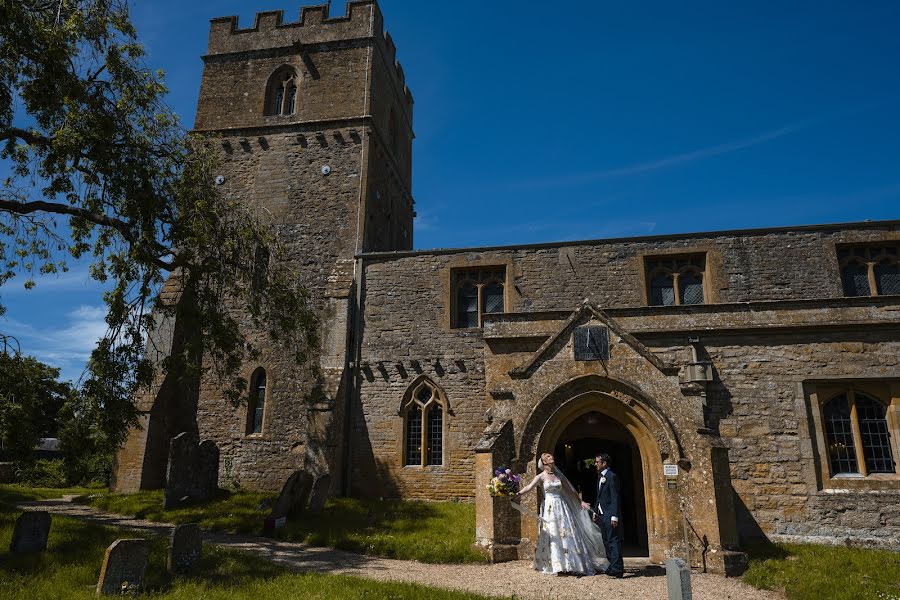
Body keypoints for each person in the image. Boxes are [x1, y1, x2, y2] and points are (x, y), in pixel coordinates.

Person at [515, 452, 607, 576]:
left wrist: (581, 502)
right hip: (549, 508)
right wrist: (517, 494)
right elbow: (529, 487)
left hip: (562, 507)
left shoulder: (559, 476)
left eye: (551, 456)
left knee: (566, 533)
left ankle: (571, 563)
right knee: (553, 533)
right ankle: (556, 564)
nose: (551, 457)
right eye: (547, 457)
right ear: (544, 462)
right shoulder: (541, 476)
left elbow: (570, 490)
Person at [592, 452, 624, 578]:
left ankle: (617, 569)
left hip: (610, 515)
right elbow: (599, 497)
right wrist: (595, 511)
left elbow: (615, 498)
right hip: (601, 514)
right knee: (606, 540)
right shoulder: (600, 476)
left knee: (613, 541)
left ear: (604, 463)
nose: (595, 464)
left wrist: (614, 516)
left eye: (597, 462)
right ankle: (612, 566)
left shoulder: (612, 476)